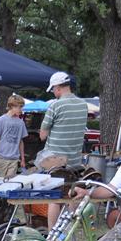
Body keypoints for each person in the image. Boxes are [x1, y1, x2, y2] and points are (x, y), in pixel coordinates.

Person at [39, 71, 88, 228]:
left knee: (55, 199)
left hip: (55, 161)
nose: (53, 92)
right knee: (72, 195)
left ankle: (52, 235)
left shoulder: (55, 105)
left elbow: (42, 135)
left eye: (53, 89)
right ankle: (68, 231)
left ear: (58, 87)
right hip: (75, 160)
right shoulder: (83, 105)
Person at [0, 94, 28, 178]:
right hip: (1, 159)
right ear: (12, 106)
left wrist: (23, 159)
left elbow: (21, 142)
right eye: (19, 107)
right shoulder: (1, 120)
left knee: (9, 183)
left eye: (21, 107)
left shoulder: (21, 122)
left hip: (14, 160)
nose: (21, 110)